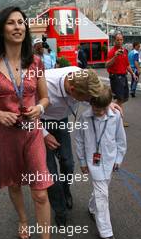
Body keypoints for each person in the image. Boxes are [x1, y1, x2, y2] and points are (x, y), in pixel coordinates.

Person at [0, 6, 53, 239]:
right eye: (11, 23)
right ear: (2, 28)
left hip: (32, 133)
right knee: (14, 183)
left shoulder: (36, 61)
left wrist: (39, 109)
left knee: (40, 192)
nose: (18, 26)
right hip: (5, 133)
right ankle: (23, 219)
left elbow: (45, 99)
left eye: (21, 22)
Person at [42, 67, 113, 227]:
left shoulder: (81, 75)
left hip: (61, 121)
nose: (90, 102)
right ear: (72, 90)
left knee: (68, 163)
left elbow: (98, 94)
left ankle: (65, 191)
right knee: (51, 173)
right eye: (87, 99)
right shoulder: (44, 82)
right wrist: (44, 134)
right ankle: (60, 210)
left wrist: (109, 104)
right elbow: (26, 112)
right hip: (40, 122)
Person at [75, 85, 127, 239]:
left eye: (102, 109)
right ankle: (106, 233)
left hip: (110, 161)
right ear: (90, 103)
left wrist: (118, 158)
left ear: (109, 104)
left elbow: (120, 139)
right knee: (103, 195)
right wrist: (82, 162)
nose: (99, 113)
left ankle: (92, 207)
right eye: (96, 109)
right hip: (93, 162)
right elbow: (79, 140)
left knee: (101, 191)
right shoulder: (84, 118)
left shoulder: (116, 116)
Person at [106, 33, 137, 127]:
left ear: (123, 40)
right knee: (120, 99)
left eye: (121, 39)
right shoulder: (112, 52)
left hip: (123, 77)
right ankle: (118, 120)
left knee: (124, 98)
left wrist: (133, 74)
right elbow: (106, 65)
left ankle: (107, 106)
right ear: (114, 40)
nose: (119, 41)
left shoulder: (124, 51)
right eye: (117, 40)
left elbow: (127, 64)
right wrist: (115, 56)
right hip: (115, 77)